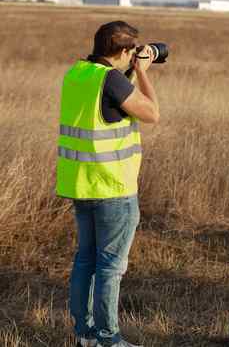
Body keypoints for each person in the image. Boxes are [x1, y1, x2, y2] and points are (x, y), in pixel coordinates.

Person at [56, 21, 160, 347]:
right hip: (113, 188)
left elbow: (107, 104)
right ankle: (108, 339)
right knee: (110, 268)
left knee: (85, 260)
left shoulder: (78, 74)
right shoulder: (112, 79)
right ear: (125, 51)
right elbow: (152, 113)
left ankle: (85, 335)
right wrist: (143, 71)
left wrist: (127, 72)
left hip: (81, 185)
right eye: (133, 52)